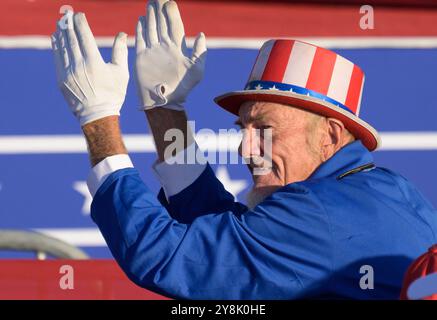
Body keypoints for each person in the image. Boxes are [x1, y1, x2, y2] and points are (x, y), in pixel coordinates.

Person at [51, 0, 437, 299]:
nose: (245, 148)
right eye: (244, 128)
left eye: (264, 129)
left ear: (331, 137)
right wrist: (163, 108)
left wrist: (98, 120)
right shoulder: (386, 189)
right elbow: (241, 243)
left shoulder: (319, 215)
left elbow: (168, 256)